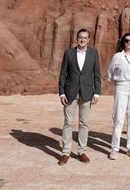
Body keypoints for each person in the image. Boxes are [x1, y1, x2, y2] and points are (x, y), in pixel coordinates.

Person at [57, 28, 102, 165]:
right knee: (68, 123)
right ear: (77, 39)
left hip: (87, 93)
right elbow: (63, 73)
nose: (82, 40)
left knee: (84, 123)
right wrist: (62, 92)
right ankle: (65, 152)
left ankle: (81, 151)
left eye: (85, 37)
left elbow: (97, 74)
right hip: (70, 93)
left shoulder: (93, 53)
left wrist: (97, 93)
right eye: (80, 37)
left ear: (89, 40)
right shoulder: (69, 53)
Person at [107, 32, 130, 159]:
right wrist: (117, 83)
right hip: (121, 87)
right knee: (118, 118)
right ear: (123, 42)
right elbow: (109, 72)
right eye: (126, 41)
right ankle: (114, 148)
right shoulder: (117, 56)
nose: (128, 43)